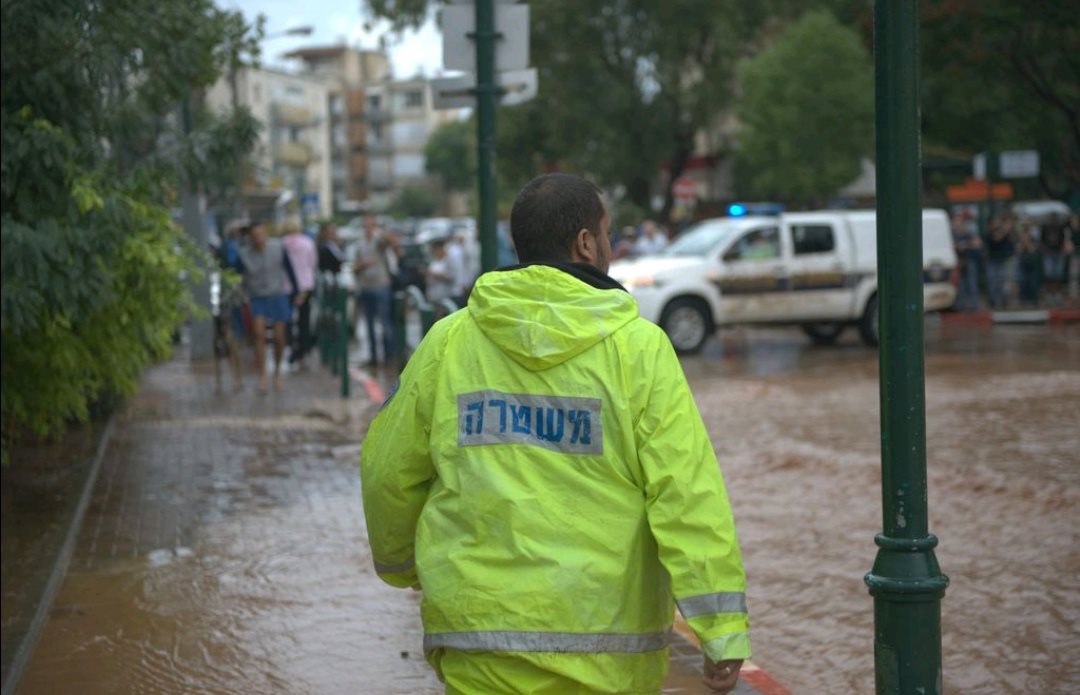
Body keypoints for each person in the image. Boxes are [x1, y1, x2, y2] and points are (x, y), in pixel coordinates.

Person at [361, 173, 750, 695]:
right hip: (608, 650)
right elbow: (685, 494)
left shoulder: (448, 342)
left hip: (477, 639)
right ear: (586, 243)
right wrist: (721, 629)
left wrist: (407, 566)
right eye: (607, 233)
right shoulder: (639, 349)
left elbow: (387, 470)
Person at [238, 221, 297, 392]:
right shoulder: (244, 254)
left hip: (277, 295)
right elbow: (237, 274)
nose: (258, 239)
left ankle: (277, 374)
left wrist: (296, 291)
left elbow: (290, 270)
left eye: (261, 235)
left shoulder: (278, 248)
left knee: (279, 337)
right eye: (254, 236)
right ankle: (261, 376)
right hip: (257, 297)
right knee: (259, 335)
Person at [352, 214, 396, 366]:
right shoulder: (359, 244)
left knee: (384, 322)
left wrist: (381, 232)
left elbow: (389, 242)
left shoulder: (378, 240)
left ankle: (389, 356)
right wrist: (361, 264)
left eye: (371, 225)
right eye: (366, 225)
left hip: (381, 285)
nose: (368, 229)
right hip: (365, 286)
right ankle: (374, 356)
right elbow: (354, 266)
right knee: (369, 323)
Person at [282, 217, 318, 365]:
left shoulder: (282, 244)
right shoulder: (308, 243)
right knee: (304, 318)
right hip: (306, 284)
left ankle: (291, 346)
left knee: (288, 319)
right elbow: (313, 263)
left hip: (287, 286)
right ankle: (303, 348)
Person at [951, 210, 982, 311]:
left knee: (971, 283)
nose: (957, 223)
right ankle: (961, 305)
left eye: (959, 221)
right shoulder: (951, 234)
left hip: (969, 260)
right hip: (957, 262)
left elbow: (978, 243)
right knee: (960, 285)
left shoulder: (968, 232)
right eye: (956, 221)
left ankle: (974, 305)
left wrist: (965, 244)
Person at [985, 213, 1015, 308]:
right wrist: (1005, 230)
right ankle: (993, 300)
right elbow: (996, 239)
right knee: (992, 280)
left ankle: (1003, 300)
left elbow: (1011, 242)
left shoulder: (1003, 232)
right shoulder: (989, 233)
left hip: (1002, 259)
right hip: (992, 260)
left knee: (1002, 280)